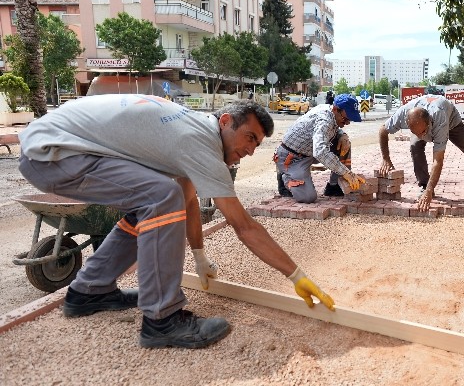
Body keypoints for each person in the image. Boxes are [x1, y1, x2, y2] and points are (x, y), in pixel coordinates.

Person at [18, 94, 335, 349]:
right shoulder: (200, 142)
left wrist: (199, 256)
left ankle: (89, 292)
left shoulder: (192, 131)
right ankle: (162, 321)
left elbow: (186, 200)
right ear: (225, 122)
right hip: (54, 153)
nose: (250, 151)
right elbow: (244, 226)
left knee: (158, 199)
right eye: (248, 137)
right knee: (160, 195)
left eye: (257, 144)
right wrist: (295, 275)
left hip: (54, 147)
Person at [378, 94, 464, 211]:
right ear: (408, 123)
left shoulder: (439, 117)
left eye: (424, 132)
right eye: (415, 132)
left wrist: (431, 190)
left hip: (452, 122)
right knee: (415, 146)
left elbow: (438, 160)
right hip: (421, 122)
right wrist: (386, 158)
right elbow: (382, 130)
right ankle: (424, 185)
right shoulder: (403, 114)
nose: (421, 136)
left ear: (429, 122)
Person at [275, 94, 366, 203]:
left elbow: (330, 130)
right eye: (346, 119)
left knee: (344, 143)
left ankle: (334, 186)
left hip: (309, 152)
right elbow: (320, 152)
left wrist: (342, 135)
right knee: (308, 197)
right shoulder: (324, 120)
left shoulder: (331, 111)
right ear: (336, 109)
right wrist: (346, 173)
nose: (347, 122)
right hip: (291, 159)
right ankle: (285, 176)